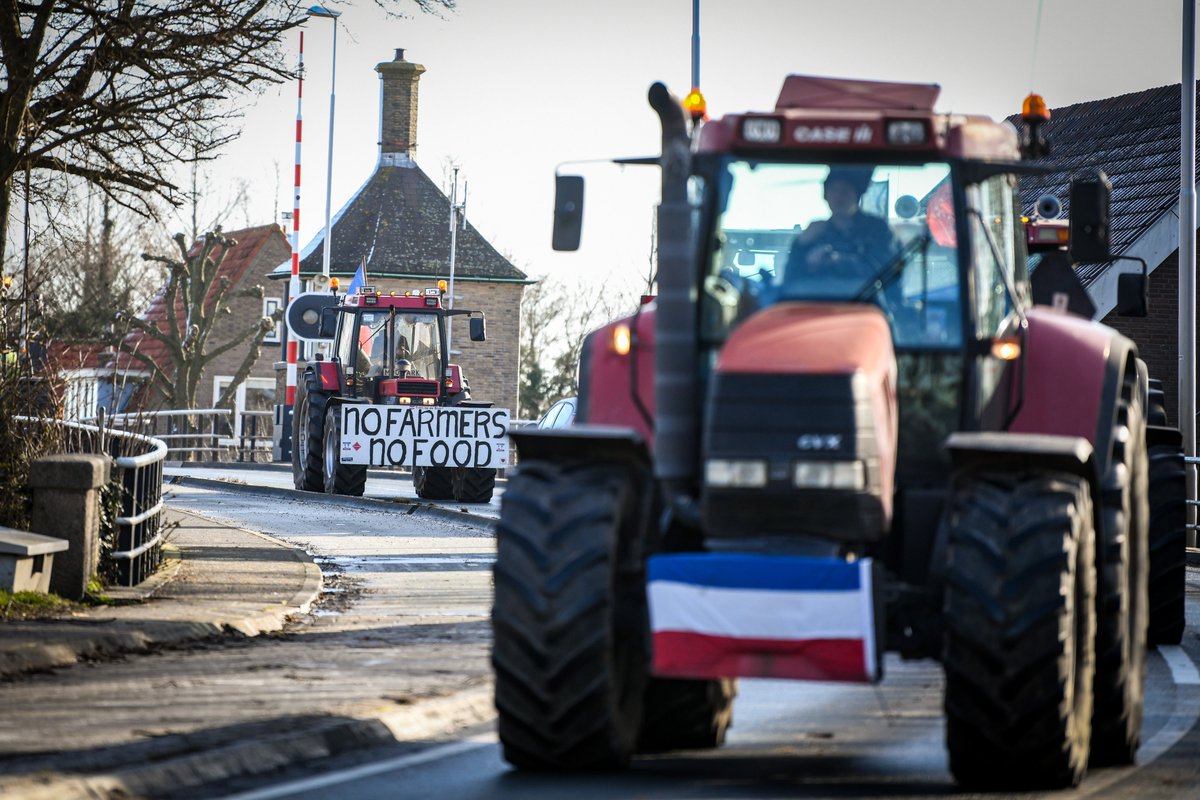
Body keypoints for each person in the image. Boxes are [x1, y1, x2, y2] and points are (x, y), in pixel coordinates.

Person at [781, 166, 898, 294]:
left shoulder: (877, 230)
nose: (838, 197)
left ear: (856, 195)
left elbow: (885, 273)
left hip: (867, 306)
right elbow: (789, 281)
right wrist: (801, 245)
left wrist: (837, 260)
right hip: (817, 305)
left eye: (845, 191)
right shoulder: (814, 233)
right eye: (833, 190)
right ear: (826, 195)